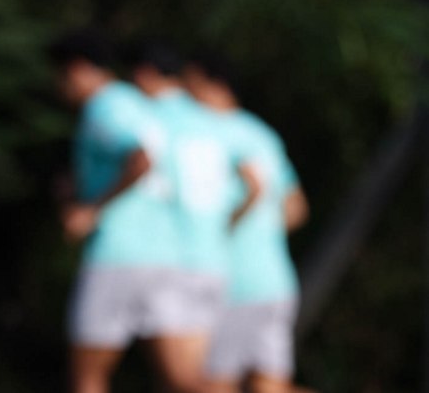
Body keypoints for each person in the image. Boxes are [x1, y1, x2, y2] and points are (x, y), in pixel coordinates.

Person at [48, 30, 207, 393]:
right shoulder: (137, 103)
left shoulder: (103, 108)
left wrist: (91, 210)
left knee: (88, 376)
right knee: (181, 379)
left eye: (61, 76)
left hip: (118, 255)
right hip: (164, 256)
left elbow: (141, 159)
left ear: (78, 68)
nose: (60, 87)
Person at [122, 39, 260, 393]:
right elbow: (255, 184)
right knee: (199, 379)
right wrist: (223, 229)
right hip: (213, 265)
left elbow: (140, 166)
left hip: (173, 265)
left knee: (184, 381)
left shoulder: (149, 115)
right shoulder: (218, 122)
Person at [183, 51, 309, 393]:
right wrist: (261, 238)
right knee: (270, 386)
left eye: (190, 83)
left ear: (213, 84)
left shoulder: (208, 132)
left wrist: (227, 229)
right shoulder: (262, 134)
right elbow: (296, 208)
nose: (185, 94)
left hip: (235, 284)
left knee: (213, 385)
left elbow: (255, 188)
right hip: (275, 280)